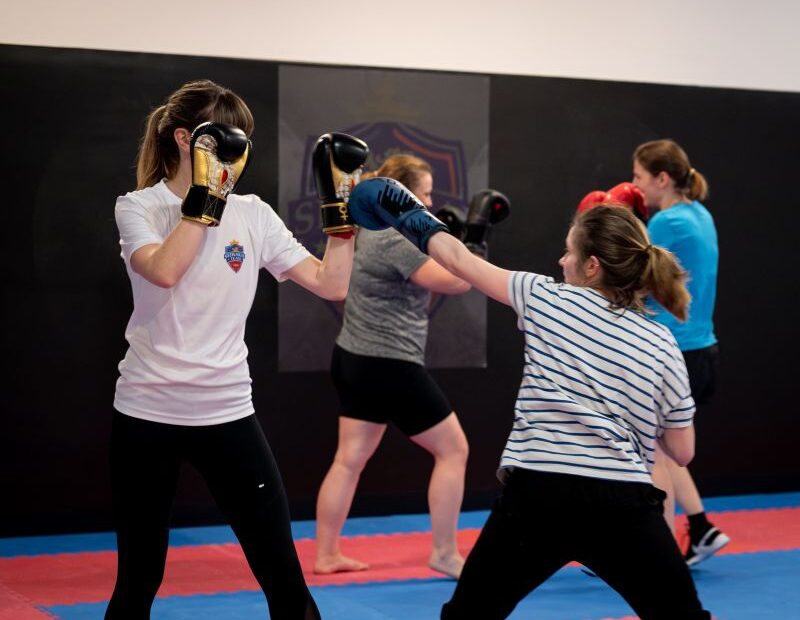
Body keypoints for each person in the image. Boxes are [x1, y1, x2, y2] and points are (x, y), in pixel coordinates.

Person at [345, 179, 713, 619]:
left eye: (569, 252)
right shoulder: (661, 341)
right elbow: (682, 452)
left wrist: (407, 211)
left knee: (469, 615)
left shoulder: (544, 297)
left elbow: (458, 260)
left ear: (592, 265)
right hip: (621, 505)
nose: (561, 260)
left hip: (539, 495)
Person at [108, 79, 368, 619]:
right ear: (184, 138)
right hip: (147, 411)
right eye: (222, 139)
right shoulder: (140, 206)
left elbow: (331, 284)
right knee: (139, 577)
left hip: (226, 409)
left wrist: (339, 215)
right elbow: (164, 270)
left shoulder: (253, 213)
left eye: (241, 141)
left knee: (283, 576)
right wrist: (208, 196)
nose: (235, 152)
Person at [314, 154, 474, 579]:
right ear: (401, 195)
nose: (429, 200)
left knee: (349, 458)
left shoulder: (364, 228)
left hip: (351, 357)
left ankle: (326, 554)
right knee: (454, 449)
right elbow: (457, 281)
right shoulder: (394, 238)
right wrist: (475, 239)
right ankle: (444, 553)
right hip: (388, 363)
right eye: (422, 192)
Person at [632, 138, 729, 566]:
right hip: (703, 350)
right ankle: (702, 526)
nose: (635, 186)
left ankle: (661, 554)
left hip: (674, 354)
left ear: (662, 178)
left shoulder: (668, 223)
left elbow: (625, 270)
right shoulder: (701, 215)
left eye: (638, 177)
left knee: (651, 454)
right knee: (668, 452)